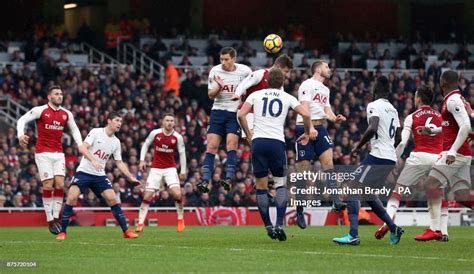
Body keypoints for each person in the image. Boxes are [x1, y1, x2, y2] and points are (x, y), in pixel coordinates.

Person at [238, 68, 313, 241]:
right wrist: (307, 133)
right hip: (276, 143)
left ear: (267, 81)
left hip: (258, 142)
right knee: (280, 185)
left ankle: (268, 226)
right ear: (282, 82)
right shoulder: (287, 97)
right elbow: (307, 114)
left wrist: (248, 134)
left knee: (261, 187)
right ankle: (280, 223)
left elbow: (241, 114)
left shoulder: (255, 95)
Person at [332, 76, 404, 246]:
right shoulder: (393, 109)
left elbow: (372, 127)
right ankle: (393, 228)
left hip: (378, 156)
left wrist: (358, 147)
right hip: (390, 157)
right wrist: (387, 148)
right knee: (369, 195)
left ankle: (353, 235)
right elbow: (399, 137)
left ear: (374, 90)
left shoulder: (373, 106)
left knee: (351, 188)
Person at [374, 85, 447, 240]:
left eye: (415, 96)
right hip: (439, 157)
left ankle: (387, 222)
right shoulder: (440, 116)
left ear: (419, 99)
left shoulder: (412, 116)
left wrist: (393, 160)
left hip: (419, 156)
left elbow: (403, 143)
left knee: (398, 190)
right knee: (436, 193)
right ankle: (441, 231)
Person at [56, 112, 141, 240]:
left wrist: (130, 177)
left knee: (112, 199)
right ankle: (62, 232)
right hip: (84, 171)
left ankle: (126, 231)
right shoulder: (96, 132)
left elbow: (119, 162)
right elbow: (83, 148)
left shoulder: (116, 142)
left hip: (99, 175)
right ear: (109, 121)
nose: (120, 123)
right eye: (117, 120)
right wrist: (93, 160)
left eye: (121, 121)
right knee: (72, 197)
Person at [414, 70, 474, 241]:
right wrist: (432, 130)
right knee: (462, 197)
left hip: (455, 153)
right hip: (463, 153)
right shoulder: (454, 99)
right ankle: (437, 230)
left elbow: (465, 127)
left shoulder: (453, 100)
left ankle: (435, 229)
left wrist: (453, 151)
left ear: (443, 82)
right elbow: (451, 126)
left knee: (430, 184)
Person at [16, 85, 82, 235]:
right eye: (56, 94)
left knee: (60, 184)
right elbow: (22, 119)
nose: (60, 96)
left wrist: (80, 144)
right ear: (49, 97)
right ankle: (50, 220)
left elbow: (75, 129)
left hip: (58, 153)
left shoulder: (66, 114)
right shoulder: (40, 110)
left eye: (61, 94)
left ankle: (56, 217)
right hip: (43, 153)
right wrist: (20, 135)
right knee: (48, 184)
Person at [294, 60, 347, 229]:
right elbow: (304, 108)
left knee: (328, 163)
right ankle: (300, 211)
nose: (329, 69)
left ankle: (336, 201)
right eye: (326, 67)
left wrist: (335, 118)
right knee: (304, 170)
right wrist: (309, 129)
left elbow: (327, 110)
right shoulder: (307, 84)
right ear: (318, 69)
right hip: (304, 127)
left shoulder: (325, 89)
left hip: (320, 128)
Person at [197, 47, 251, 193]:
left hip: (234, 113)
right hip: (218, 112)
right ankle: (205, 180)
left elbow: (251, 88)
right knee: (212, 146)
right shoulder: (215, 71)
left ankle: (228, 178)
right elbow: (210, 95)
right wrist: (220, 87)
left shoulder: (245, 71)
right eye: (221, 59)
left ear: (234, 59)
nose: (223, 62)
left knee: (231, 145)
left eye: (226, 59)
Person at [136, 113, 187, 233]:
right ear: (163, 122)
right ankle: (140, 224)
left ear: (174, 123)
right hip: (156, 169)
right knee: (147, 196)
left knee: (177, 194)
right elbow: (145, 145)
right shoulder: (155, 133)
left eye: (171, 121)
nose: (169, 123)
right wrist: (142, 160)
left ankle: (180, 220)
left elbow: (182, 154)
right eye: (167, 120)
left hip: (170, 169)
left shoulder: (178, 137)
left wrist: (183, 171)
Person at [231, 54, 294, 138]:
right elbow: (244, 84)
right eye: (286, 71)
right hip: (249, 113)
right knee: (253, 140)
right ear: (278, 67)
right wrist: (237, 94)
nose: (287, 75)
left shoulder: (280, 85)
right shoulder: (260, 74)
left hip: (264, 117)